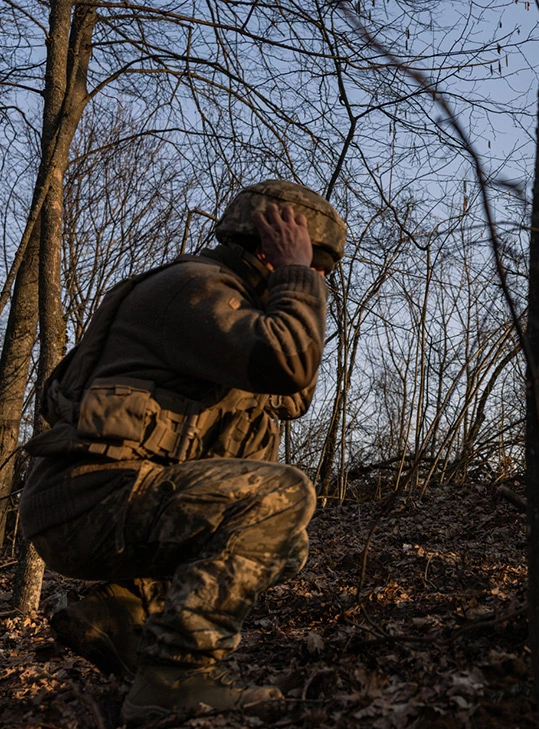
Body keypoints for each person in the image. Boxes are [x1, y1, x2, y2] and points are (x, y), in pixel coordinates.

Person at [19, 180, 344, 721]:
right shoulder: (197, 289)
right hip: (90, 496)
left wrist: (288, 285)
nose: (319, 281)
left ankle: (122, 611)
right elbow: (289, 361)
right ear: (269, 247)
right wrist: (294, 274)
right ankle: (176, 674)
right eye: (316, 266)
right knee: (281, 496)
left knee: (288, 543)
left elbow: (292, 394)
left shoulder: (232, 307)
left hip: (110, 496)